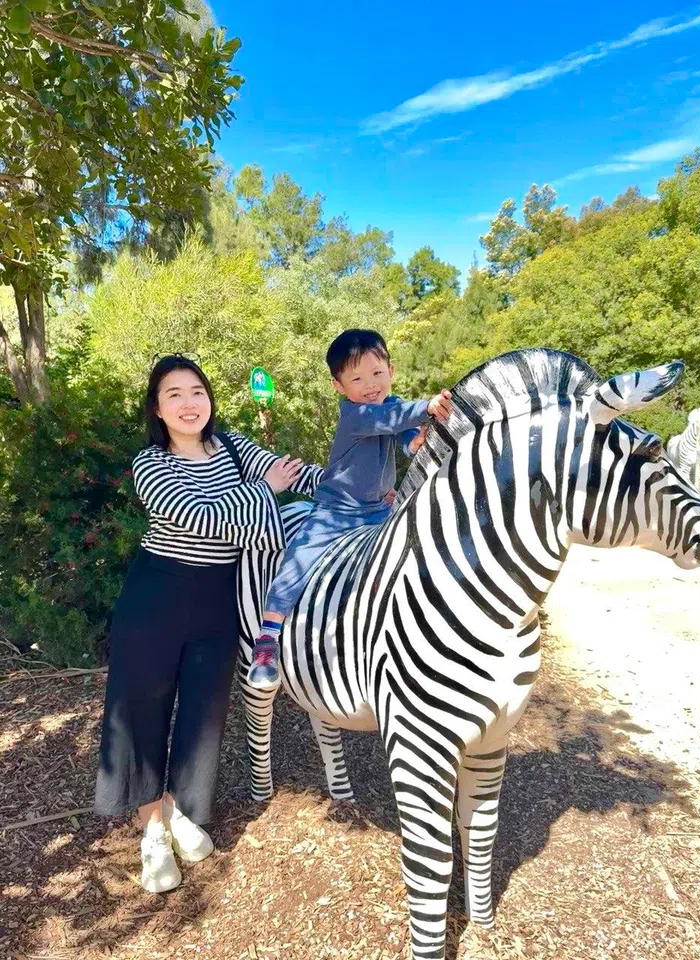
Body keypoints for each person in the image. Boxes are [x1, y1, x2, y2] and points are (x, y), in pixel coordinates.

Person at [94, 354, 322, 893]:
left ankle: (177, 807)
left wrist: (355, 487)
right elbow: (203, 517)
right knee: (143, 706)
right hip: (158, 593)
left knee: (204, 709)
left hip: (219, 596)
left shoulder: (237, 448)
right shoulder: (150, 463)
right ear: (157, 407)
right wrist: (264, 491)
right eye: (174, 394)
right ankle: (150, 825)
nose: (189, 402)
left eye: (197, 391)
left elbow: (297, 473)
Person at [247, 328, 452, 688]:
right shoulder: (355, 415)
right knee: (299, 557)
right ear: (339, 386)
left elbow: (405, 440)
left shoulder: (391, 406)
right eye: (356, 378)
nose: (369, 384)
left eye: (376, 373)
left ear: (391, 370)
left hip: (378, 508)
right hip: (336, 510)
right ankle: (267, 636)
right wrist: (426, 408)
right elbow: (393, 420)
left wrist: (418, 440)